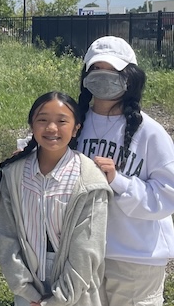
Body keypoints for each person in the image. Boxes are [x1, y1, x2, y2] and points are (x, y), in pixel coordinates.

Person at [75, 36, 174, 305]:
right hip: (85, 254)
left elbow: (167, 197)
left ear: (129, 77)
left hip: (137, 258)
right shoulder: (73, 124)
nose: (103, 77)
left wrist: (118, 181)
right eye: (96, 70)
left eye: (113, 71)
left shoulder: (150, 132)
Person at [0, 92, 111, 306]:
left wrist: (58, 299)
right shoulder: (14, 175)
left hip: (76, 290)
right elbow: (7, 235)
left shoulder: (89, 179)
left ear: (76, 128)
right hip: (28, 288)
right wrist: (25, 289)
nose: (51, 128)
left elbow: (87, 249)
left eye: (62, 121)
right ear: (32, 125)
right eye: (43, 120)